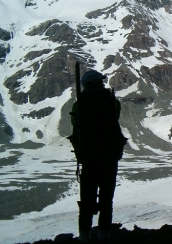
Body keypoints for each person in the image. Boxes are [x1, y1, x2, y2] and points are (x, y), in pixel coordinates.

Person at [69, 70, 127, 243]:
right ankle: (104, 235)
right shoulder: (112, 102)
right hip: (109, 157)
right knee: (106, 200)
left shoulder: (78, 105)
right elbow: (115, 117)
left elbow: (76, 127)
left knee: (86, 200)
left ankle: (84, 236)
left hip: (88, 158)